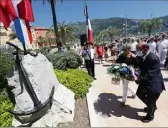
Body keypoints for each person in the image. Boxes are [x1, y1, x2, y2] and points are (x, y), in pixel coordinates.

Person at [135, 43, 165, 123]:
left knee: (151, 99)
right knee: (139, 93)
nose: (138, 52)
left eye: (139, 50)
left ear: (145, 49)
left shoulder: (153, 58)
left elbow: (150, 75)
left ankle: (150, 116)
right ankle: (151, 106)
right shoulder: (144, 56)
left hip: (154, 82)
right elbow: (142, 67)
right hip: (146, 80)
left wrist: (138, 79)